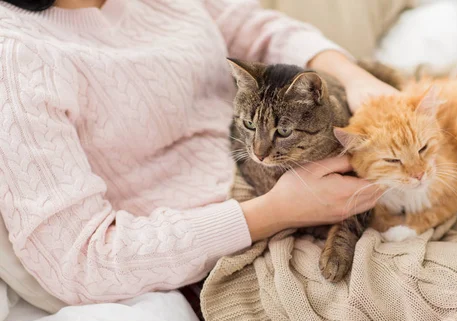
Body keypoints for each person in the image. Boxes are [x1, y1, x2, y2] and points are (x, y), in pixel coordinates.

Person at [0, 0, 398, 305]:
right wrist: (278, 211)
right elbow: (79, 262)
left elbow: (255, 27)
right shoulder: (17, 56)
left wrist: (353, 77)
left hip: (297, 171)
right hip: (220, 248)